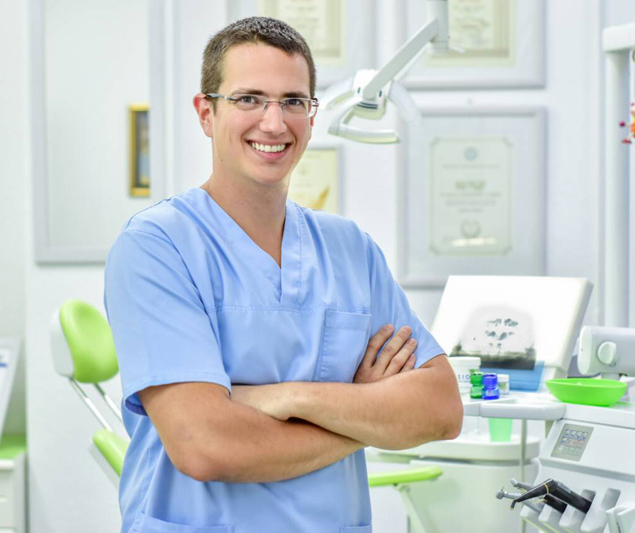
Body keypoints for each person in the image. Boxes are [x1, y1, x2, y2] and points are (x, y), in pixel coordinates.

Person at [104, 16, 462, 533]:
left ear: (311, 116)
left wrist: (287, 398)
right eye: (249, 99)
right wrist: (365, 412)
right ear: (205, 113)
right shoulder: (158, 247)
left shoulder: (350, 250)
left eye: (293, 101)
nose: (274, 124)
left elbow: (441, 410)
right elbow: (205, 446)